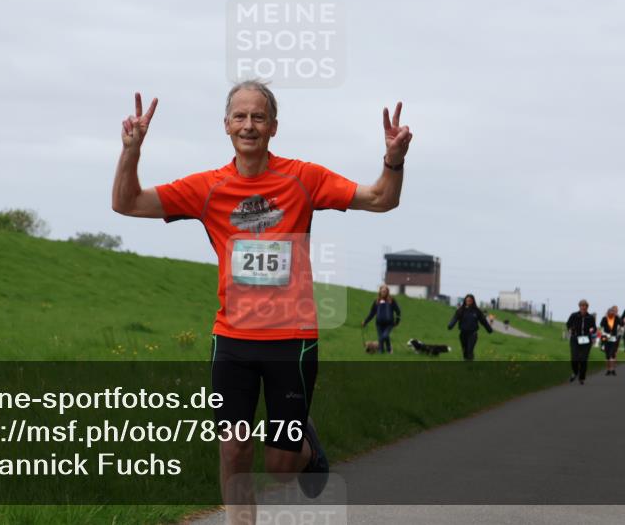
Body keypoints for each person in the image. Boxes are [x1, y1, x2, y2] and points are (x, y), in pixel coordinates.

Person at [111, 81, 411, 523]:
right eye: (239, 116)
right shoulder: (208, 187)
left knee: (280, 467)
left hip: (292, 341)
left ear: (273, 127)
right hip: (232, 338)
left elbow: (381, 199)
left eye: (257, 117)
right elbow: (127, 203)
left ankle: (307, 451)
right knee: (233, 447)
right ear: (226, 125)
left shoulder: (303, 178)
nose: (248, 125)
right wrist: (131, 150)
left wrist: (393, 160)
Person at [447, 294, 493, 360]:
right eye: (467, 300)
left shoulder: (477, 311)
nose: (468, 302)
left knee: (470, 350)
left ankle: (470, 365)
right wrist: (450, 325)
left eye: (470, 301)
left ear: (473, 301)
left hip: (472, 334)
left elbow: (483, 321)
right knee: (465, 351)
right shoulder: (460, 310)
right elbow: (455, 318)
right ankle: (466, 362)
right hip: (463, 334)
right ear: (465, 301)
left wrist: (489, 330)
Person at [362, 284, 402, 354]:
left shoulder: (392, 300)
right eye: (382, 291)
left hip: (389, 323)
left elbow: (398, 311)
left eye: (385, 291)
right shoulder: (376, 301)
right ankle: (381, 351)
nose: (383, 292)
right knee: (381, 338)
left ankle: (389, 349)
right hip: (379, 324)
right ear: (380, 291)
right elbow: (372, 313)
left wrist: (397, 321)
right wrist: (365, 321)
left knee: (385, 336)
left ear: (387, 292)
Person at [566, 299, 597, 385]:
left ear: (587, 307)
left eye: (585, 306)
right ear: (579, 307)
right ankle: (575, 372)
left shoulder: (590, 317)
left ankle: (581, 377)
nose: (583, 307)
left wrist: (592, 329)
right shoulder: (574, 315)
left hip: (586, 340)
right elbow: (568, 324)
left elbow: (594, 328)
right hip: (575, 339)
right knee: (574, 358)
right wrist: (570, 329)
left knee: (583, 359)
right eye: (582, 306)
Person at [599, 305, 621, 376]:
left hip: (613, 337)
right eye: (610, 312)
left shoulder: (616, 318)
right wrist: (605, 318)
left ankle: (613, 369)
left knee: (613, 354)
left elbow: (621, 323)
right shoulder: (604, 318)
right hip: (605, 337)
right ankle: (608, 369)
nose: (611, 313)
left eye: (613, 312)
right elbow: (601, 325)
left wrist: (617, 316)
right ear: (607, 312)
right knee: (607, 355)